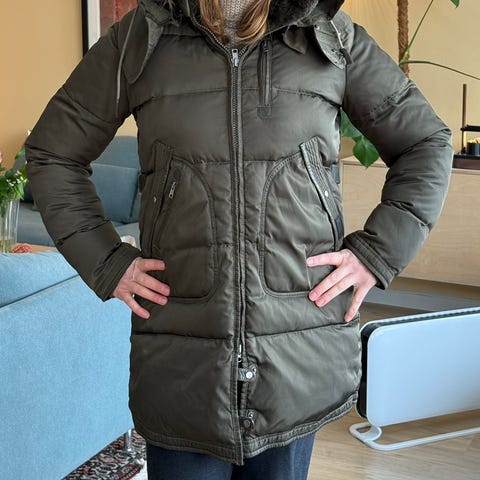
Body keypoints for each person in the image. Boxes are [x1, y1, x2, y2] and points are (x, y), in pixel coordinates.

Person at [25, 0, 453, 478]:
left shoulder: (328, 33)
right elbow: (52, 152)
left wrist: (377, 253)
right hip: (183, 364)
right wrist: (105, 260)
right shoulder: (143, 34)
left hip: (297, 358)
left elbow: (425, 142)